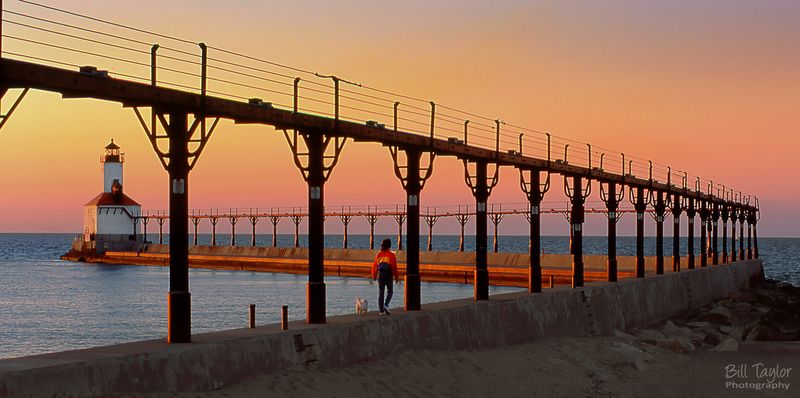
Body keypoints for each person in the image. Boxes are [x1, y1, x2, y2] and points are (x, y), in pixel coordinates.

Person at [371, 238, 400, 315]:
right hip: (388, 274)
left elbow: (375, 266)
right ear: (389, 246)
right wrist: (396, 277)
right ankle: (386, 305)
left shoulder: (378, 255)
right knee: (390, 291)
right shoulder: (391, 255)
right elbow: (394, 267)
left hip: (380, 274)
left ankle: (381, 311)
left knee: (381, 292)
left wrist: (374, 275)